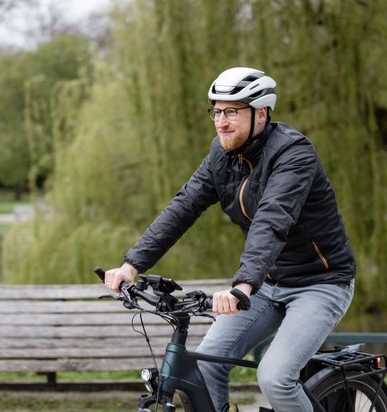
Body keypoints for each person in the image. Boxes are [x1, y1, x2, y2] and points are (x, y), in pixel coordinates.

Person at [102, 67, 356, 412]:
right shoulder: (222, 156)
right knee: (207, 364)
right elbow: (183, 207)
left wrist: (243, 285)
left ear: (261, 114)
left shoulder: (294, 154)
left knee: (275, 377)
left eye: (232, 112)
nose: (221, 121)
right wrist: (131, 265)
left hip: (320, 283)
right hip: (268, 283)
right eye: (217, 112)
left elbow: (272, 220)